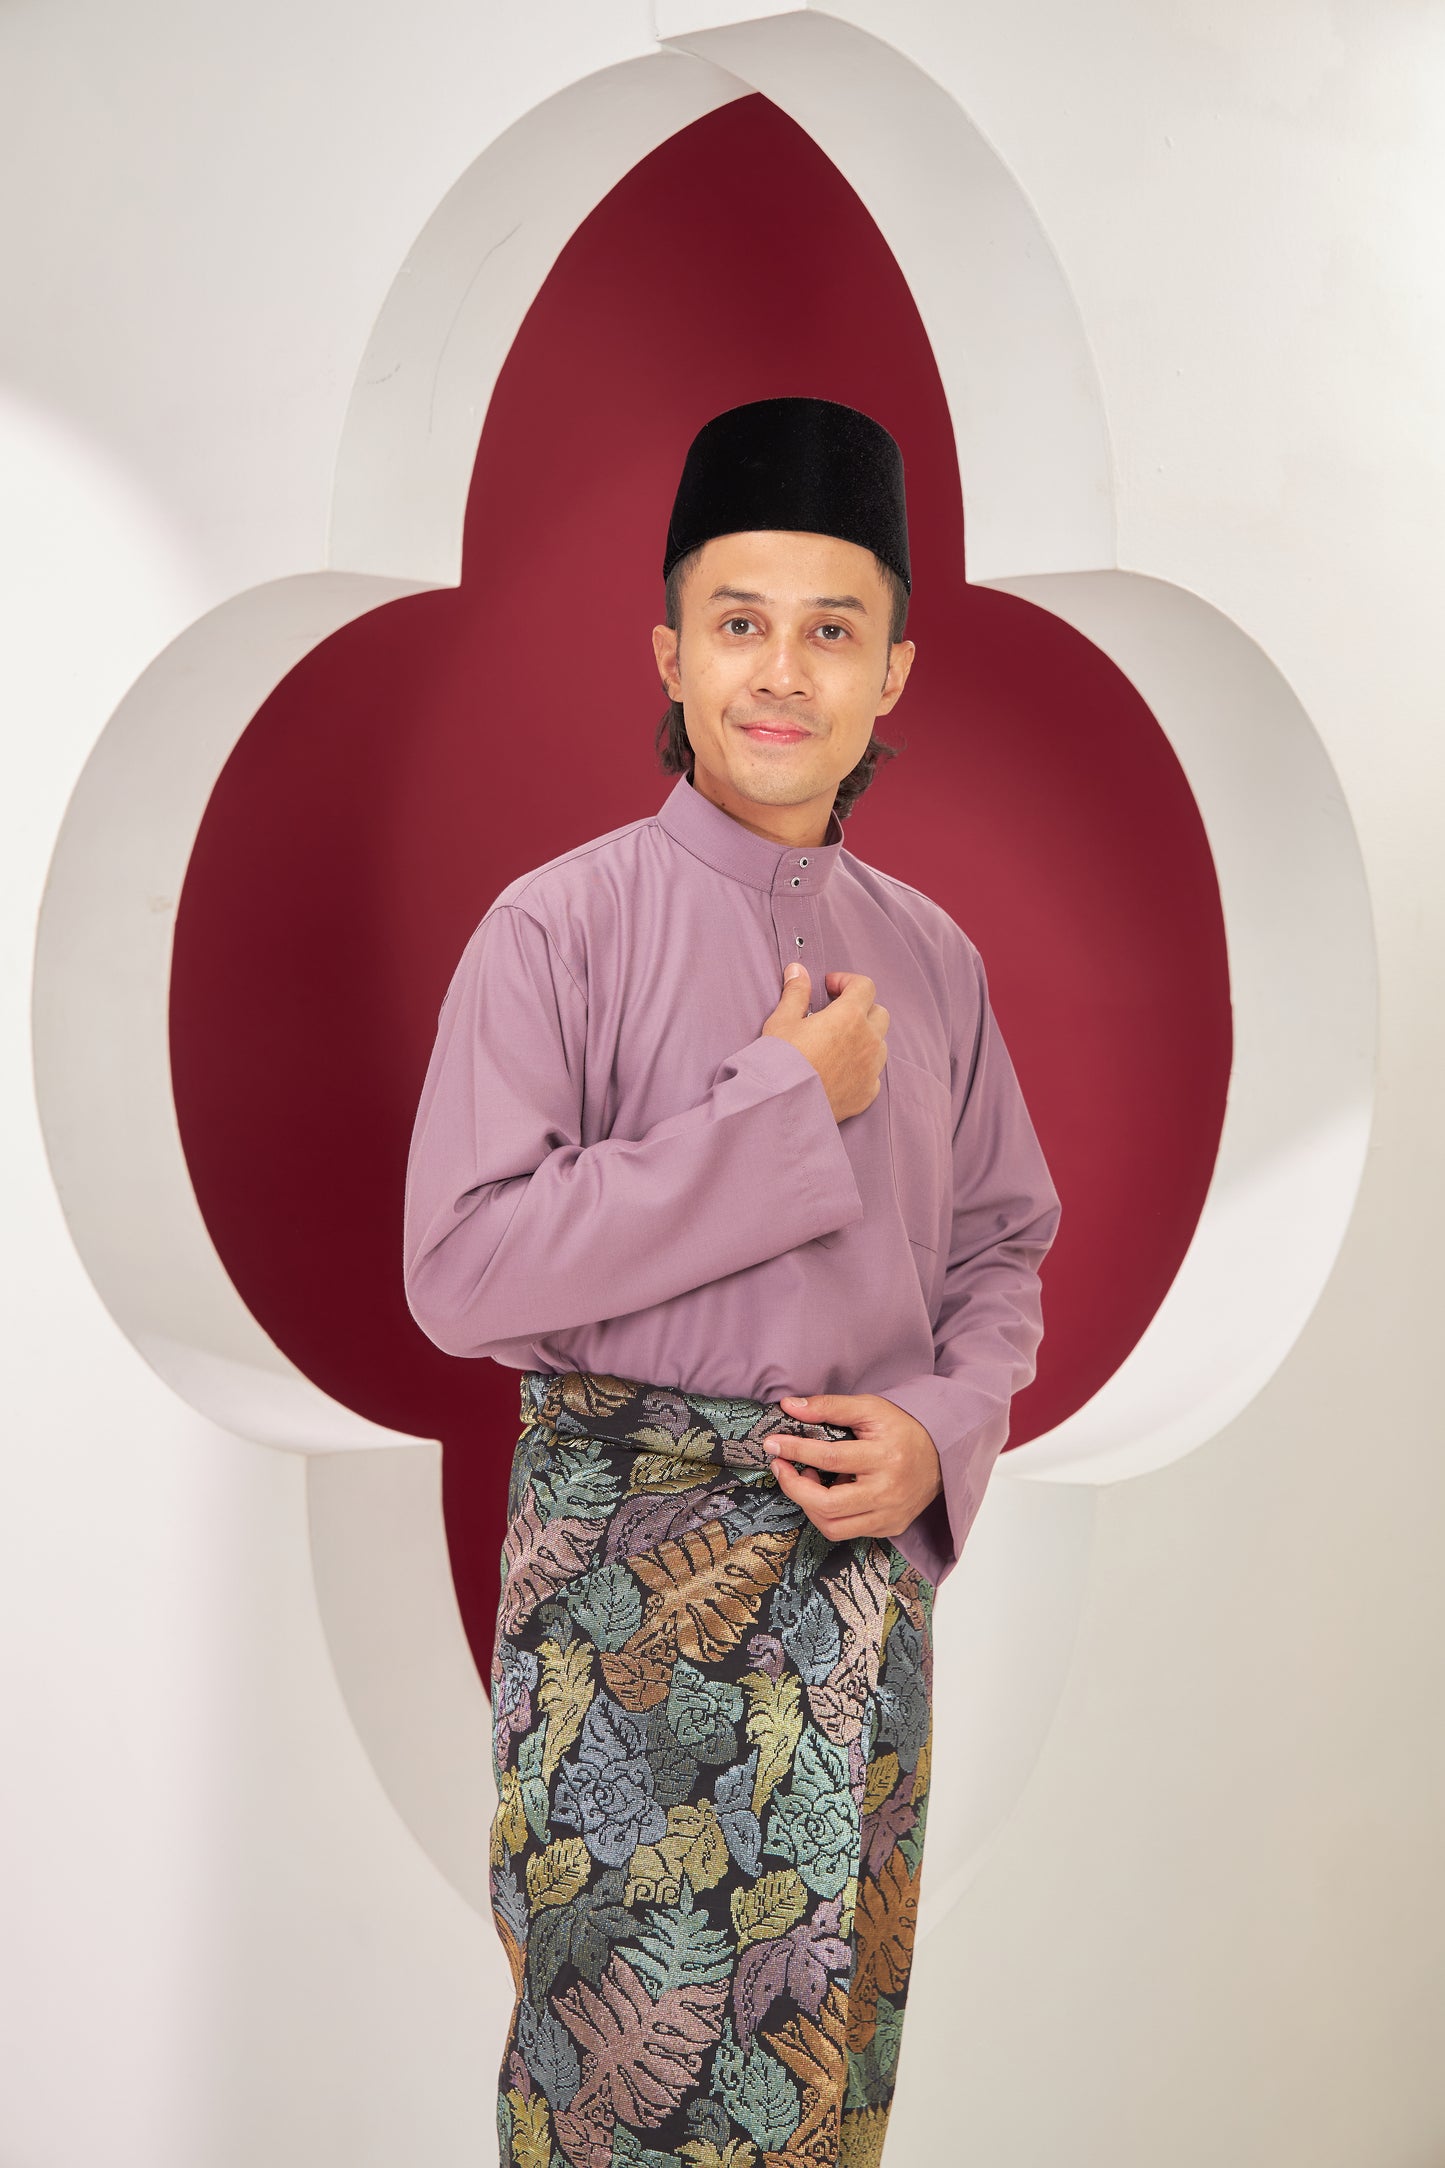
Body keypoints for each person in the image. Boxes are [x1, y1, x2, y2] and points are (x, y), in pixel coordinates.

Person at [403, 395, 1061, 2168]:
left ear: (891, 675)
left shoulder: (934, 960)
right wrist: (777, 1105)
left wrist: (937, 1434)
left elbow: (1001, 1244)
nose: (781, 672)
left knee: (828, 2086)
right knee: (625, 2090)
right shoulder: (555, 929)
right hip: (627, 1608)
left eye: (831, 631)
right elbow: (462, 1269)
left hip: (858, 1596)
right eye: (740, 622)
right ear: (672, 655)